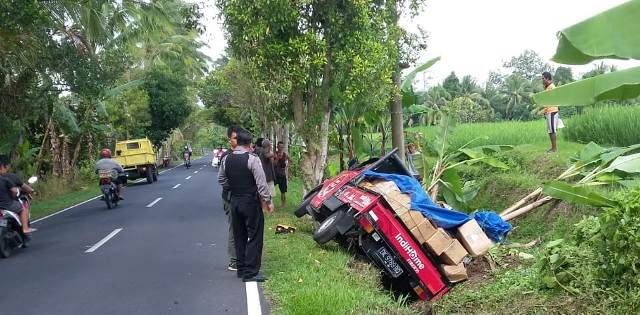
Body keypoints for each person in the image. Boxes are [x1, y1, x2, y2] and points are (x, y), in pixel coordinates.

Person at [218, 128, 273, 282]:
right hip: (250, 202)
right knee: (255, 236)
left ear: (237, 143)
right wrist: (268, 202)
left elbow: (221, 180)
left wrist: (234, 187)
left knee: (239, 235)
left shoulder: (226, 159)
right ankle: (251, 272)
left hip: (234, 201)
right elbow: (262, 185)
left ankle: (241, 269)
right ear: (249, 144)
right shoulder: (252, 159)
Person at [0, 155, 36, 233]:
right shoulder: (9, 178)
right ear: (5, 166)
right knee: (22, 209)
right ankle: (25, 228)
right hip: (7, 204)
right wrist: (32, 191)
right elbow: (15, 191)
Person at [220, 125, 239, 271]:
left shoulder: (246, 155)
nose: (237, 140)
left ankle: (243, 256)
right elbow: (222, 180)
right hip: (230, 198)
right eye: (234, 138)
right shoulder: (226, 157)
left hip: (245, 199)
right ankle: (234, 260)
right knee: (235, 227)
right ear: (229, 140)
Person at [541, 72, 562, 153]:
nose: (542, 80)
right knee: (550, 130)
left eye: (543, 78)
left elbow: (555, 98)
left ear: (547, 78)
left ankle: (554, 148)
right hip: (549, 111)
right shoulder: (547, 87)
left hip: (552, 110)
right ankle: (552, 148)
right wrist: (545, 111)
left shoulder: (552, 87)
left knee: (552, 130)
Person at [274, 141, 293, 209]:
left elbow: (291, 160)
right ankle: (269, 204)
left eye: (282, 147)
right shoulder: (274, 154)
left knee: (283, 191)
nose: (281, 148)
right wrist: (278, 158)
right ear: (277, 147)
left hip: (282, 175)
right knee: (270, 189)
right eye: (279, 147)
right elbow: (274, 164)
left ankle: (283, 204)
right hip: (275, 175)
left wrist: (287, 166)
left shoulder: (285, 155)